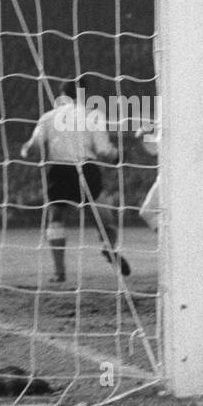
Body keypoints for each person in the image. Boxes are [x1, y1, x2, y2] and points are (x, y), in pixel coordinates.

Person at [20, 78, 130, 282]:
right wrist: (117, 155)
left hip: (59, 171)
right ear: (84, 95)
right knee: (104, 219)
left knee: (56, 220)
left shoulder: (48, 117)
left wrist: (25, 150)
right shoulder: (92, 116)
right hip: (86, 170)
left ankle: (59, 272)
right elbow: (104, 150)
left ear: (62, 96)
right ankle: (108, 247)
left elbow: (32, 146)